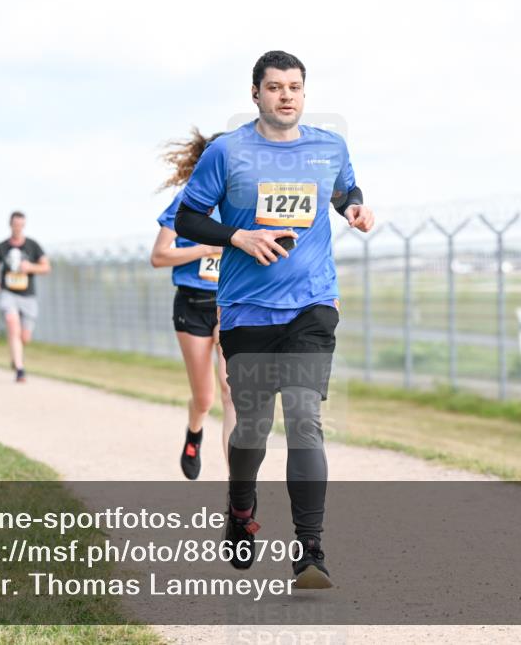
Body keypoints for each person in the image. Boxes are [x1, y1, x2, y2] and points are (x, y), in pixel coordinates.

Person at [175, 51, 375, 589]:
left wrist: (354, 207)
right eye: (275, 87)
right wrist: (237, 235)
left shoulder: (328, 147)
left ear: (304, 94)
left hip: (312, 307)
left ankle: (310, 551)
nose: (286, 95)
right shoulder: (227, 152)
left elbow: (344, 190)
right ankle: (241, 507)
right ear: (256, 95)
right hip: (246, 314)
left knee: (305, 419)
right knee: (255, 429)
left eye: (295, 87)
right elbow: (188, 216)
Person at [151, 129, 237, 480]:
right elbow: (159, 256)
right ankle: (194, 431)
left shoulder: (243, 200)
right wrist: (206, 248)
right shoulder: (188, 200)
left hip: (229, 304)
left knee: (232, 391)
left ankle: (239, 488)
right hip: (192, 304)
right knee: (205, 398)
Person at [0, 211, 50, 382]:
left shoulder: (33, 246)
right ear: (10, 225)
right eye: (15, 224)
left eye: (21, 225)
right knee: (12, 325)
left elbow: (46, 267)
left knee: (25, 337)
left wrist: (30, 267)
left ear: (24, 225)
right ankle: (20, 369)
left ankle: (16, 357)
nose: (18, 228)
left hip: (28, 296)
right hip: (8, 293)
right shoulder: (1, 247)